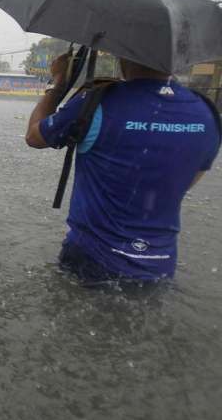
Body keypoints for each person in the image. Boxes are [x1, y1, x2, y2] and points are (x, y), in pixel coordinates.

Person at [25, 53, 220, 283]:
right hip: (160, 266)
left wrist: (59, 83)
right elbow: (185, 182)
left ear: (123, 54)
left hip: (90, 261)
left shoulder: (96, 102)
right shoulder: (207, 113)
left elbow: (34, 137)